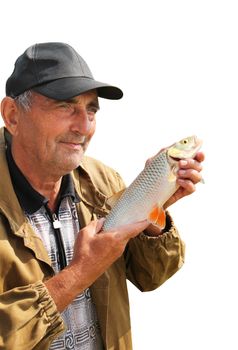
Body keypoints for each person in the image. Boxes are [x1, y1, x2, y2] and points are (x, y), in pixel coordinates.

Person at [0, 42, 204, 350]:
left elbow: (151, 277)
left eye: (91, 110)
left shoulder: (104, 181)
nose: (84, 126)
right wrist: (81, 272)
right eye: (65, 106)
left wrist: (153, 211)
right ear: (13, 115)